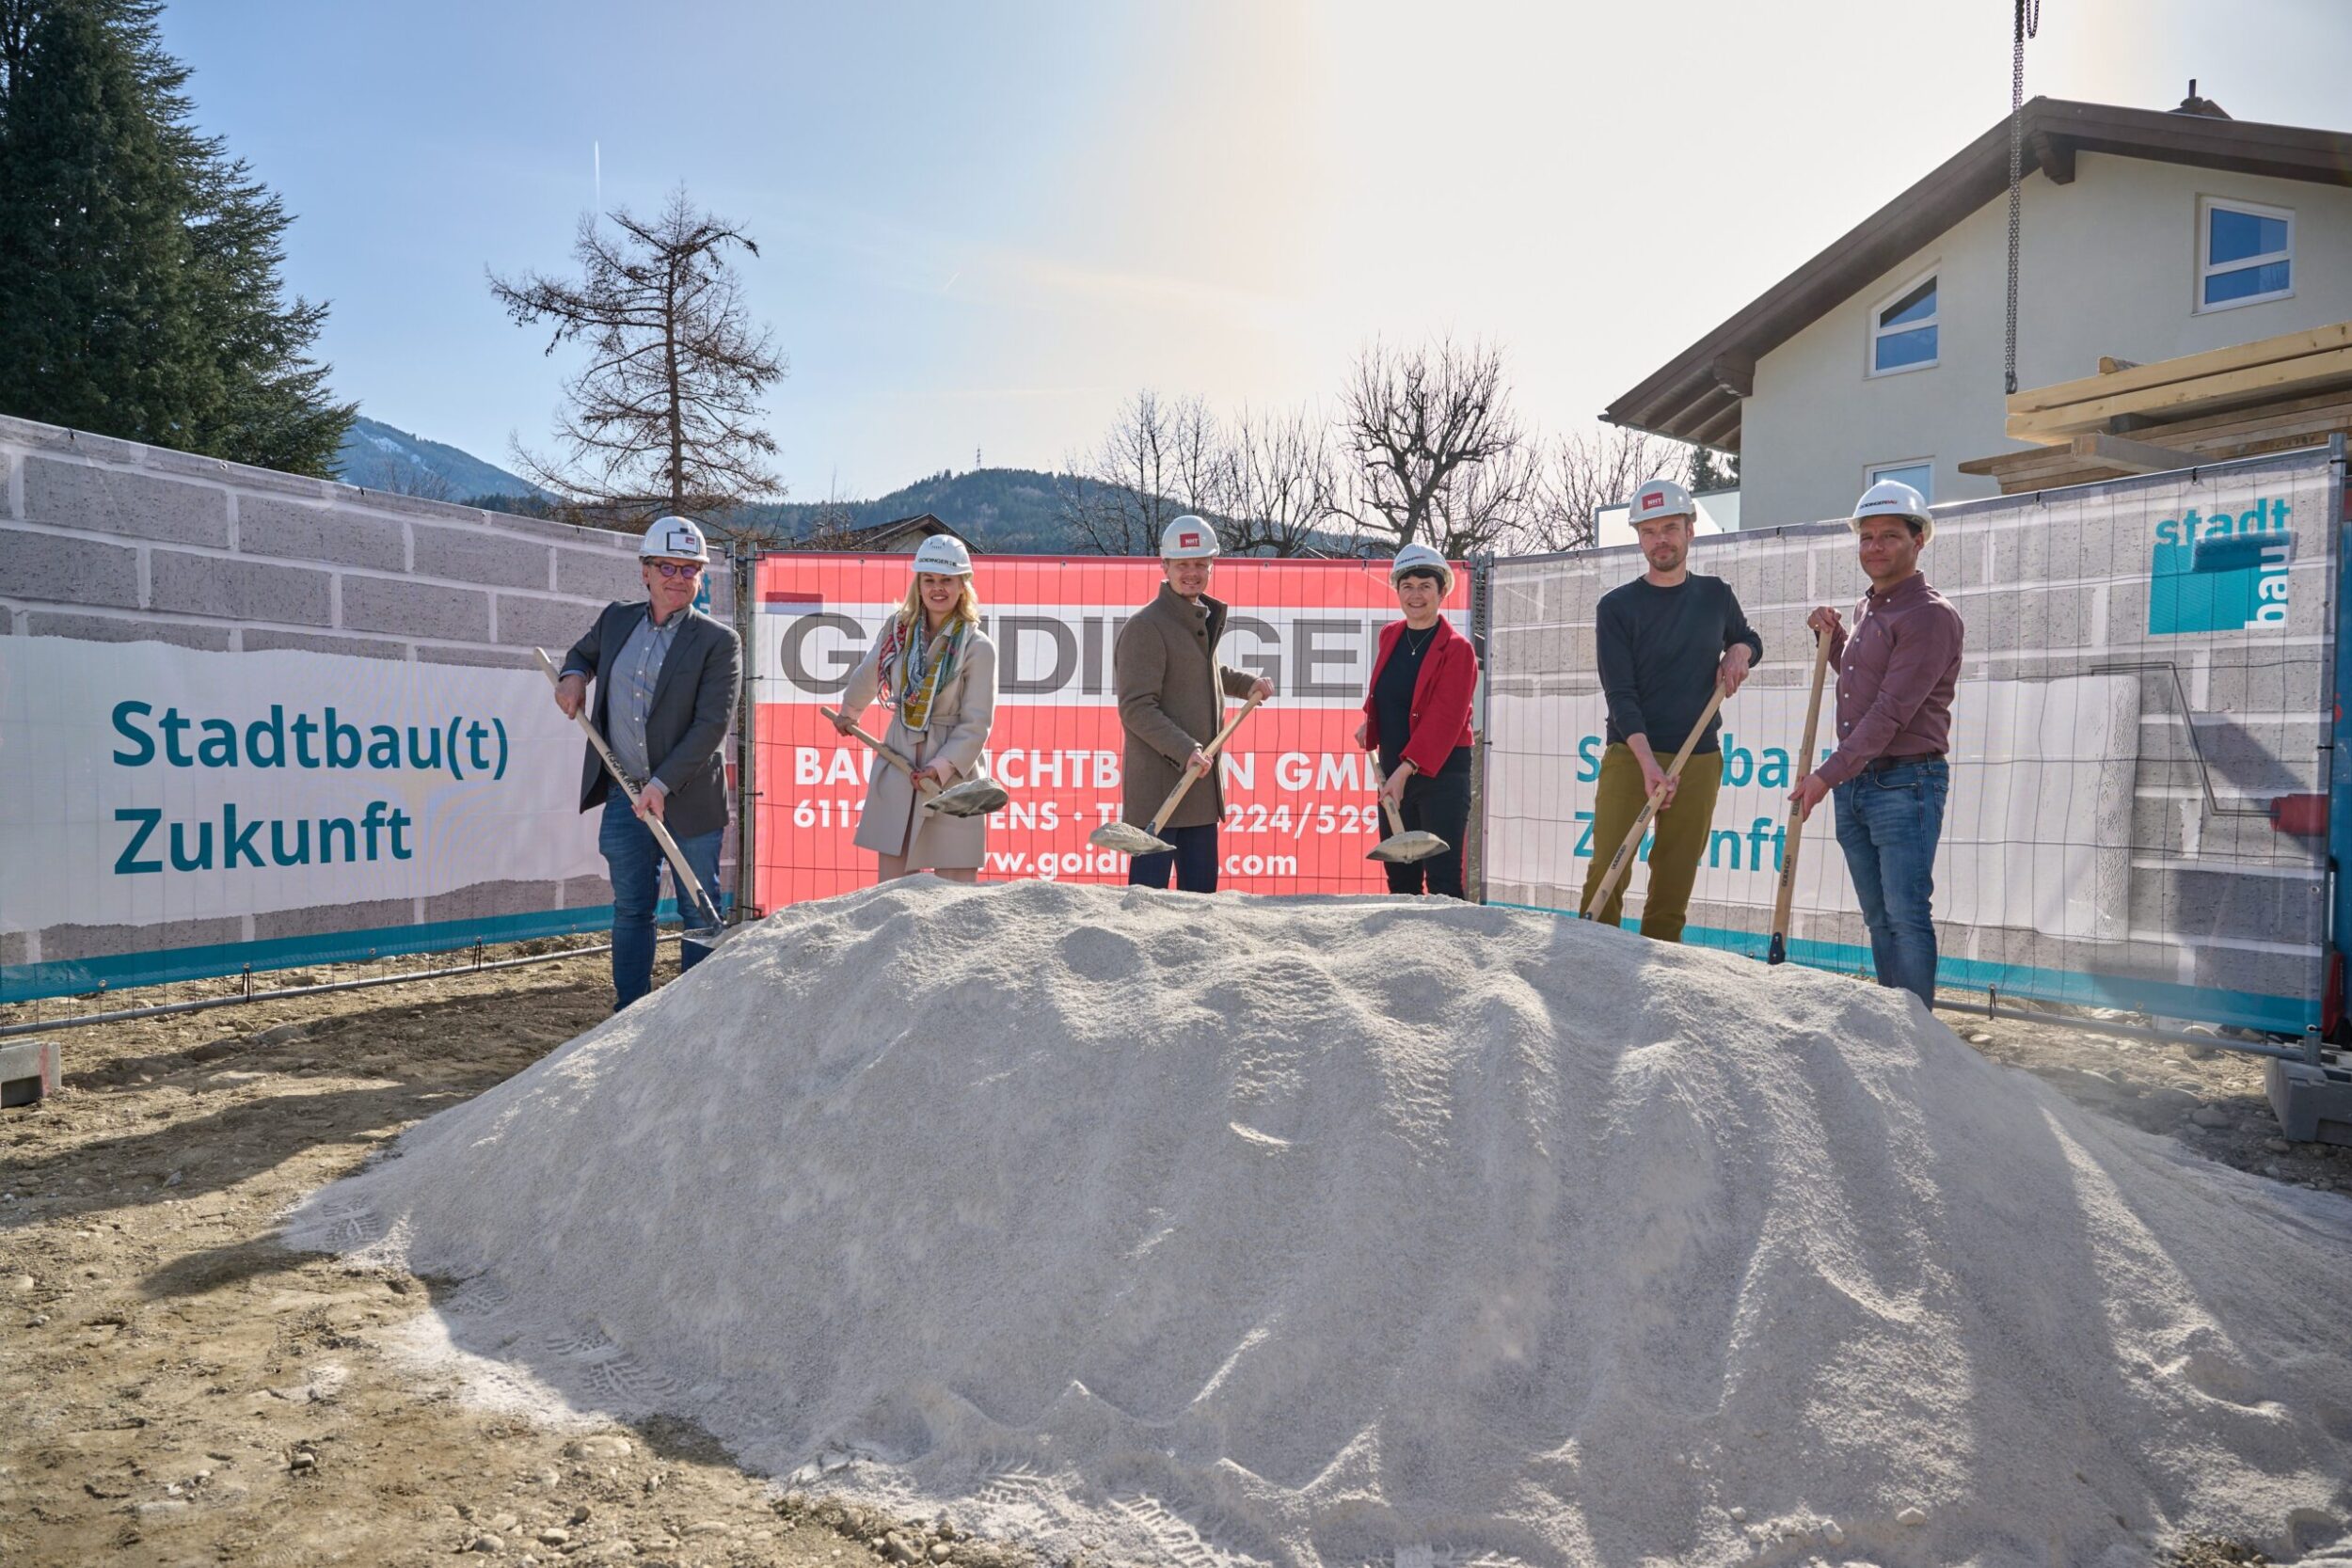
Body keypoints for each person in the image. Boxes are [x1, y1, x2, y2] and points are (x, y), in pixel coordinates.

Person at [553, 516, 741, 1011]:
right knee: (632, 908)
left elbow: (711, 726)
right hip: (625, 794)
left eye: (689, 569)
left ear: (701, 576)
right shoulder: (617, 620)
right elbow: (582, 654)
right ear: (645, 571)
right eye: (666, 567)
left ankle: (695, 1019)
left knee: (698, 911)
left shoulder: (719, 642)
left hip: (689, 798)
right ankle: (630, 1015)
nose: (677, 577)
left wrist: (661, 784)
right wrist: (574, 676)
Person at [1788, 480, 1963, 1007]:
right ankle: (1894, 1024)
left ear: (1919, 540)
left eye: (1889, 536)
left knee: (1906, 916)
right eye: (1866, 537)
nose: (1875, 547)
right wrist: (1831, 638)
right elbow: (1862, 683)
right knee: (1880, 917)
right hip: (1860, 782)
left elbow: (1890, 712)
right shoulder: (1870, 608)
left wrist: (1825, 776)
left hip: (1905, 782)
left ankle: (1916, 1037)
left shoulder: (1929, 615)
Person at [1579, 478, 1761, 942]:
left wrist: (1740, 650)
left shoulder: (1715, 595)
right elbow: (1621, 695)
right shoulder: (1617, 607)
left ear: (1690, 530)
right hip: (1631, 755)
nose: (1660, 539)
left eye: (1670, 528)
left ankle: (1658, 965)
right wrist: (1647, 765)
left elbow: (1749, 639)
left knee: (1675, 877)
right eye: (1649, 531)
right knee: (1609, 869)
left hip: (1698, 757)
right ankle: (1590, 961)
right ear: (1639, 538)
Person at [1112, 515, 1275, 892]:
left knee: (1201, 907)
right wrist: (1186, 750)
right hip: (1160, 797)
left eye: (1201, 564)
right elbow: (1136, 707)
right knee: (1146, 905)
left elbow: (1207, 673)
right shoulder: (1146, 626)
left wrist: (1247, 684)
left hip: (1198, 794)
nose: (1192, 573)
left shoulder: (1195, 619)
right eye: (1182, 564)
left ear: (1212, 566)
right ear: (1164, 566)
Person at [830, 535, 999, 883]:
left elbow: (976, 723)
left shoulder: (978, 647)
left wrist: (940, 769)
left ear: (963, 585)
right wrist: (850, 711)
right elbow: (870, 671)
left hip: (952, 775)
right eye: (929, 579)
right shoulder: (898, 631)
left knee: (953, 884)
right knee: (895, 884)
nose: (938, 589)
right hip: (900, 758)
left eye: (947, 580)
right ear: (918, 584)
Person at [1357, 543, 1478, 898]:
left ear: (1442, 591)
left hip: (1441, 777)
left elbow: (1446, 718)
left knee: (1443, 881)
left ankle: (1447, 936)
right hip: (1394, 770)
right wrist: (1371, 722)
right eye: (1407, 586)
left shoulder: (1457, 649)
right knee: (1401, 879)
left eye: (1425, 586)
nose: (1415, 595)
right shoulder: (1390, 635)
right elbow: (1389, 691)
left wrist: (1404, 771)